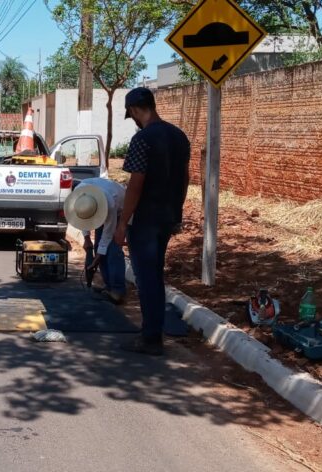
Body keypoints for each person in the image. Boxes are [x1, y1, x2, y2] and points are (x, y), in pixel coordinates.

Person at [113, 87, 190, 356]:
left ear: (134, 110)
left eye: (131, 113)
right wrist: (177, 213)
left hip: (145, 219)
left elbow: (136, 184)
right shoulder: (179, 136)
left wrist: (122, 223)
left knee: (146, 278)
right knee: (155, 274)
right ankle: (152, 331)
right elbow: (185, 179)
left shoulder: (142, 139)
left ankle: (151, 338)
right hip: (167, 217)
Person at [65, 178, 126, 304]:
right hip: (98, 205)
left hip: (121, 210)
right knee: (99, 245)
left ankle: (118, 290)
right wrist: (87, 240)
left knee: (112, 249)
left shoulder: (109, 204)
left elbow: (108, 234)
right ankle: (108, 286)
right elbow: (82, 217)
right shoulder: (80, 196)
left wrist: (97, 256)